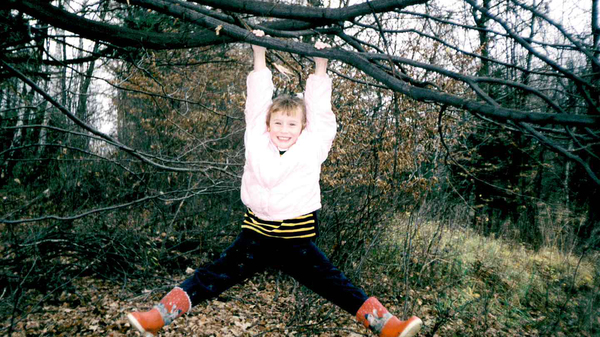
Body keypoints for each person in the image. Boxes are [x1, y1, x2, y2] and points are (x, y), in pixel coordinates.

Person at [127, 30, 422, 337]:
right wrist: (259, 53)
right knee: (210, 276)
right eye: (278, 123)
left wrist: (321, 66)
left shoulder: (313, 146)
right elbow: (256, 102)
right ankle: (158, 317)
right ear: (267, 124)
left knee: (334, 283)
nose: (284, 129)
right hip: (256, 235)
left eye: (291, 124)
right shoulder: (256, 138)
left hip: (296, 239)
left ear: (302, 127)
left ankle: (387, 325)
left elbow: (320, 113)